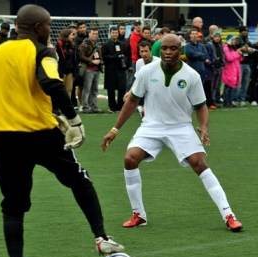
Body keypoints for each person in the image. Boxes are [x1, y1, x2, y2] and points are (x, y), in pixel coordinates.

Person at [0, 4, 124, 257]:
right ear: (38, 27)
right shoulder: (42, 51)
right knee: (79, 179)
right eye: (49, 24)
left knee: (13, 207)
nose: (51, 29)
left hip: (4, 139)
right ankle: (101, 237)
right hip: (40, 135)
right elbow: (51, 82)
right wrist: (73, 118)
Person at [101, 34, 242, 232]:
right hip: (151, 126)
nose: (168, 52)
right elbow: (132, 101)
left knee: (199, 163)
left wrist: (204, 127)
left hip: (181, 127)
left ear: (180, 50)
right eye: (164, 48)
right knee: (130, 159)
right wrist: (115, 129)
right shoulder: (147, 71)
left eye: (173, 48)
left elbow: (201, 106)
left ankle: (229, 215)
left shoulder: (191, 75)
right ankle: (138, 214)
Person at [102, 26, 130, 112]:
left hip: (120, 69)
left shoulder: (122, 44)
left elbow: (126, 55)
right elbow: (104, 57)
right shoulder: (106, 44)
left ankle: (120, 106)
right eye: (113, 33)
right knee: (111, 89)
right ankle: (112, 107)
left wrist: (124, 61)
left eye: (116, 33)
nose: (115, 34)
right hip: (110, 70)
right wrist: (115, 57)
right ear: (110, 34)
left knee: (122, 88)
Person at [78, 27, 102, 113]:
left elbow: (99, 55)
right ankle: (85, 107)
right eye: (93, 33)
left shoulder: (97, 44)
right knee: (87, 89)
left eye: (96, 34)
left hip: (96, 69)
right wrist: (92, 61)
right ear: (89, 34)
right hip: (88, 69)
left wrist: (100, 61)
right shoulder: (84, 44)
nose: (95, 35)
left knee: (95, 90)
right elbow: (81, 56)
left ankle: (94, 106)